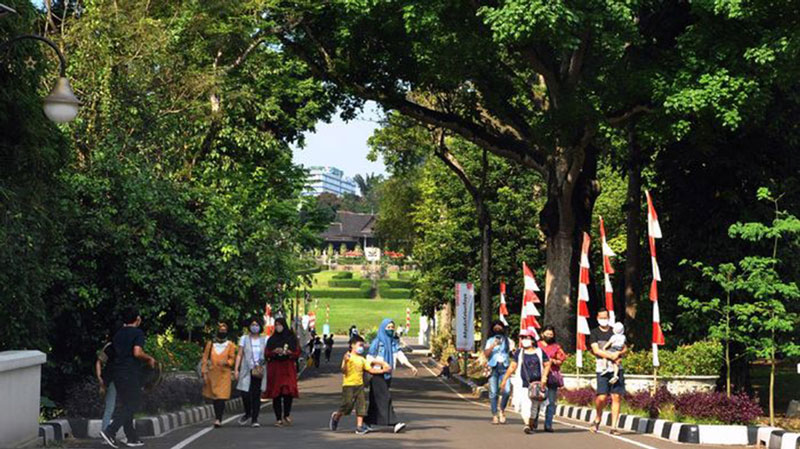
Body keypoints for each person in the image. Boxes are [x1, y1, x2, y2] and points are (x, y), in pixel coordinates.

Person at [99, 308, 156, 448]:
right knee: (133, 404)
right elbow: (137, 352)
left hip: (117, 373)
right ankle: (110, 431)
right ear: (137, 319)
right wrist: (149, 359)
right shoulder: (138, 333)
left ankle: (131, 437)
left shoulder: (118, 334)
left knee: (126, 404)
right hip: (130, 372)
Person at [329, 335, 391, 435]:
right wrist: (345, 361)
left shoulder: (362, 359)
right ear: (352, 345)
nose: (361, 347)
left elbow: (370, 370)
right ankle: (336, 416)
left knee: (361, 405)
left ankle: (359, 427)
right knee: (347, 406)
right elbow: (343, 371)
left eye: (362, 345)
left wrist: (383, 370)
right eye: (359, 345)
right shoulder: (348, 356)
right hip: (348, 385)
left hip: (359, 385)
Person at [500, 329, 551, 434]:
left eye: (526, 338)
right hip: (523, 384)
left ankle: (531, 423)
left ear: (532, 340)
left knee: (534, 408)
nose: (523, 340)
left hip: (537, 385)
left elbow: (547, 364)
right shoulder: (519, 352)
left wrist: (544, 377)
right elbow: (512, 366)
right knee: (525, 405)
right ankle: (527, 425)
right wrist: (505, 379)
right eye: (522, 338)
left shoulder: (540, 352)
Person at [589, 309, 627, 435]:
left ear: (609, 318)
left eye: (606, 317)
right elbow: (596, 350)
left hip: (617, 368)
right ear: (597, 317)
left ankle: (614, 427)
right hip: (602, 369)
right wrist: (611, 356)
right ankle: (598, 417)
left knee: (616, 396)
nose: (603, 319)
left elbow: (624, 348)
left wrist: (619, 353)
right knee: (602, 397)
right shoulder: (594, 333)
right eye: (601, 317)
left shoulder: (615, 331)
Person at [365, 318, 406, 433]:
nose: (391, 329)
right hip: (377, 374)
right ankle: (395, 423)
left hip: (387, 375)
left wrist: (410, 365)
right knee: (385, 397)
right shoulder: (377, 342)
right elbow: (369, 359)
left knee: (375, 399)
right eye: (388, 327)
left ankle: (366, 422)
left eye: (392, 327)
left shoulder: (392, 342)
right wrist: (382, 364)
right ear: (383, 328)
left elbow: (399, 354)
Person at [265, 317, 301, 427]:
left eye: (280, 324)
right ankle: (278, 418)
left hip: (288, 368)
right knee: (276, 394)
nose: (278, 327)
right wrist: (274, 352)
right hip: (275, 368)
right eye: (276, 325)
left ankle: (286, 414)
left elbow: (297, 352)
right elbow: (267, 353)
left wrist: (289, 352)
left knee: (287, 392)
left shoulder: (291, 338)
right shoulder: (272, 339)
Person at [201, 323, 236, 428]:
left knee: (221, 397)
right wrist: (204, 372)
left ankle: (218, 419)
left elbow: (232, 359)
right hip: (213, 373)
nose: (222, 332)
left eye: (224, 330)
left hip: (224, 374)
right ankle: (217, 416)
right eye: (220, 330)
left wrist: (227, 363)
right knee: (215, 397)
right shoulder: (210, 344)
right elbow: (205, 359)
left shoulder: (230, 345)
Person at [234, 317, 267, 428]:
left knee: (256, 395)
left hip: (259, 370)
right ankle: (248, 412)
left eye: (257, 325)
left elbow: (267, 354)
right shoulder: (244, 338)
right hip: (246, 369)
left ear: (260, 327)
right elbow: (239, 354)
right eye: (253, 324)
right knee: (245, 393)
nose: (254, 327)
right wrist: (236, 369)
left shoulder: (264, 339)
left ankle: (255, 419)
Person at [538, 325, 567, 432]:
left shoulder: (556, 347)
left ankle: (548, 424)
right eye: (547, 334)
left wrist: (552, 361)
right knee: (536, 400)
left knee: (550, 402)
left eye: (551, 334)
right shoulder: (537, 346)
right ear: (542, 334)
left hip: (552, 377)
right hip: (538, 376)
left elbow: (562, 359)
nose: (549, 336)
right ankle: (533, 422)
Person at [484, 320, 512, 424]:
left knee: (507, 390)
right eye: (495, 328)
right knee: (493, 393)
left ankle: (502, 410)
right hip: (493, 367)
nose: (498, 329)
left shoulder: (507, 340)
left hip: (505, 367)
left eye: (499, 327)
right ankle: (494, 414)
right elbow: (486, 354)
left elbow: (512, 352)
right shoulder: (490, 340)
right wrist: (493, 345)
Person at [95, 322, 122, 435]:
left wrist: (100, 378)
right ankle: (108, 432)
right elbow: (99, 362)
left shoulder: (109, 346)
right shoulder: (119, 346)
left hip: (111, 379)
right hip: (117, 379)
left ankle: (105, 431)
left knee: (110, 407)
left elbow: (99, 362)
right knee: (119, 407)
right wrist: (101, 379)